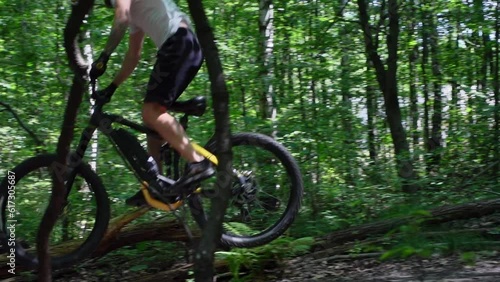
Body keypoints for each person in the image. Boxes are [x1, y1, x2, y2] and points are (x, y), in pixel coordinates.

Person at [90, 0, 214, 205]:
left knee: (152, 112)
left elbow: (121, 19)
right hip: (180, 46)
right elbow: (133, 55)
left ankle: (198, 163)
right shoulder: (137, 10)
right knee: (151, 118)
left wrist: (103, 58)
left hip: (179, 43)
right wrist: (112, 87)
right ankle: (156, 185)